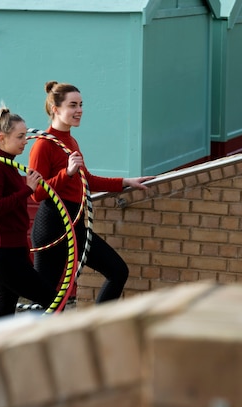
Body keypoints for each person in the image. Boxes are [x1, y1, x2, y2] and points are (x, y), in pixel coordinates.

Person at [29, 81, 154, 304]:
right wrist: (66, 173)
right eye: (73, 105)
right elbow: (37, 192)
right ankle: (34, 338)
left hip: (75, 223)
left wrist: (126, 181)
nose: (79, 111)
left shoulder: (71, 141)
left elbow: (87, 180)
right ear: (56, 109)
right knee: (47, 299)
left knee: (117, 271)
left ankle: (96, 328)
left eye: (81, 105)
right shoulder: (43, 144)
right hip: (53, 226)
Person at [0, 106, 57, 318]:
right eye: (21, 136)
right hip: (4, 254)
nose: (26, 141)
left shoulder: (9, 166)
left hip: (12, 251)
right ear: (2, 138)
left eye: (26, 136)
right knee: (53, 302)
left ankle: (1, 350)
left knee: (4, 316)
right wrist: (27, 189)